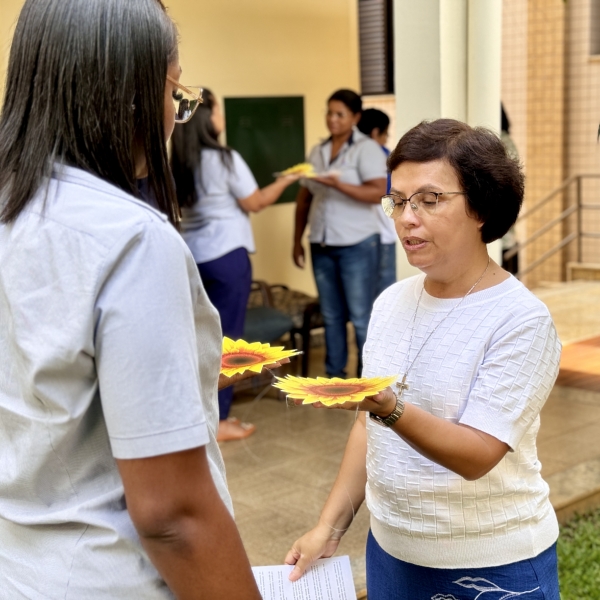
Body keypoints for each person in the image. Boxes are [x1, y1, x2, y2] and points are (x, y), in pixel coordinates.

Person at [0, 0, 268, 597]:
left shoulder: (14, 206)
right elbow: (173, 516)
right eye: (174, 93)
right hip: (108, 576)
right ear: (128, 95)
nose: (174, 117)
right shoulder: (132, 239)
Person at [285, 119, 561, 599]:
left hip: (493, 563)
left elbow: (477, 454)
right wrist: (328, 527)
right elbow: (366, 428)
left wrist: (390, 407)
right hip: (392, 552)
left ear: (481, 208)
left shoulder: (521, 320)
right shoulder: (390, 302)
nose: (406, 218)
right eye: (398, 200)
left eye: (429, 200)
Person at [170, 89, 299, 441]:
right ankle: (220, 421)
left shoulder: (176, 159)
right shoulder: (224, 158)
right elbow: (255, 202)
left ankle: (199, 416)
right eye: (217, 110)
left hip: (192, 258)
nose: (222, 117)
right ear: (206, 117)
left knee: (199, 338)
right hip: (227, 258)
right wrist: (287, 181)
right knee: (227, 340)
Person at [293, 90, 387, 378]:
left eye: (340, 114)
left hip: (357, 244)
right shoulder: (318, 151)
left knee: (360, 316)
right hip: (321, 243)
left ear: (355, 117)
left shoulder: (366, 149)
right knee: (331, 315)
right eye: (329, 112)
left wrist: (336, 184)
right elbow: (304, 198)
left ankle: (367, 380)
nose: (332, 119)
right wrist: (296, 239)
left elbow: (378, 192)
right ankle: (335, 378)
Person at [358, 107, 397, 295]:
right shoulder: (384, 157)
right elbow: (390, 196)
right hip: (383, 234)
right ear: (375, 132)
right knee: (385, 292)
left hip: (357, 238)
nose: (386, 139)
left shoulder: (348, 155)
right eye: (385, 134)